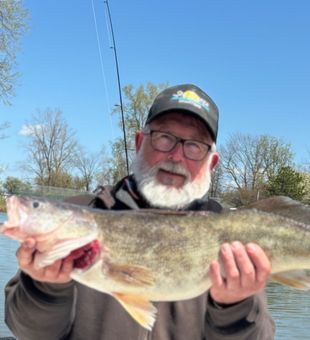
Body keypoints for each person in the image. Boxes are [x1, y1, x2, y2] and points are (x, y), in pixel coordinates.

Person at [5, 84, 275, 339]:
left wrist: (236, 307)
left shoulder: (233, 231)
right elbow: (26, 332)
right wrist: (45, 288)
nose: (176, 156)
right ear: (138, 142)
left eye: (194, 146)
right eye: (164, 138)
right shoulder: (82, 211)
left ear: (212, 163)